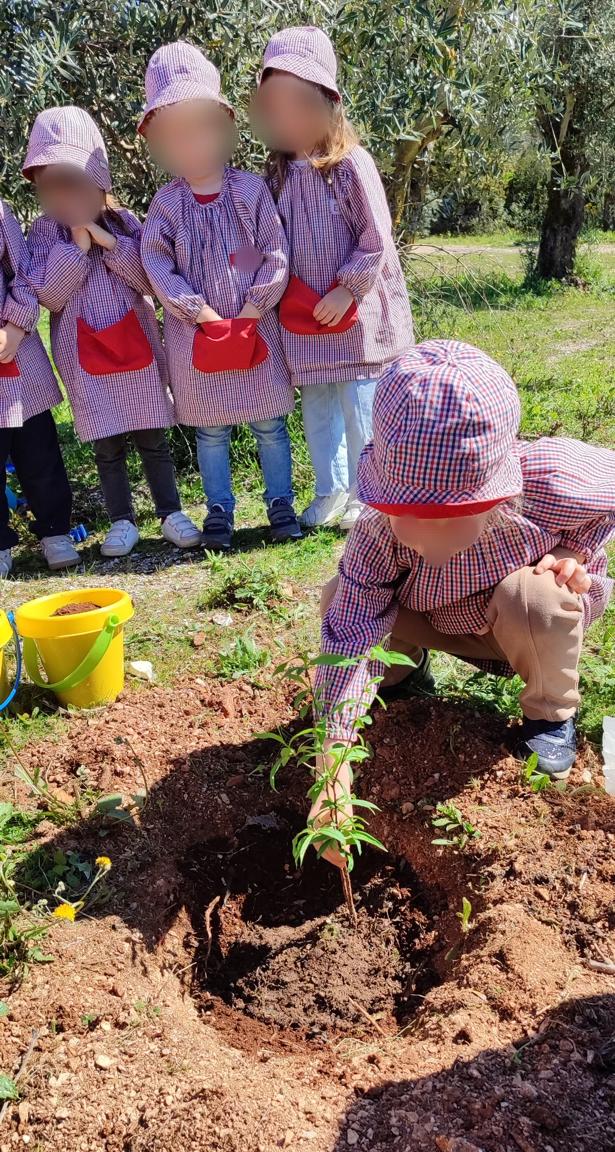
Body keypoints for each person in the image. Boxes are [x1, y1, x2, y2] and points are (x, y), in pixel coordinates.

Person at [312, 339, 615, 866]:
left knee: (537, 596)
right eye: (412, 518)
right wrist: (333, 758)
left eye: (452, 520)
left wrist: (575, 548)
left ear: (499, 493)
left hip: (519, 625)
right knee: (342, 596)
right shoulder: (378, 534)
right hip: (439, 617)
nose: (429, 540)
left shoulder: (551, 481)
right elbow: (352, 627)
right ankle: (401, 679)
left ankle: (549, 715)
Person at [139, 42, 300, 552]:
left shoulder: (250, 191)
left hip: (257, 328)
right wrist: (199, 312)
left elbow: (275, 251)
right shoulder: (165, 205)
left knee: (270, 424)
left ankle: (280, 503)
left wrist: (254, 307)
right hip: (197, 338)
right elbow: (156, 265)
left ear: (222, 125)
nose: (192, 144)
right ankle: (219, 512)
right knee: (211, 433)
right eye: (176, 134)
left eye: (201, 128)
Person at [252, 26, 414, 531]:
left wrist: (349, 287)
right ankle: (331, 490)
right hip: (304, 314)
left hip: (355, 314)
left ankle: (371, 494)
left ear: (327, 103)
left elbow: (376, 238)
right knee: (319, 407)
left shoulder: (348, 166)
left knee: (360, 405)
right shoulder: (275, 174)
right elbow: (264, 236)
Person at [23, 106, 201, 559]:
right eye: (53, 189)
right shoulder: (45, 235)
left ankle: (171, 512)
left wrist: (110, 245)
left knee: (152, 437)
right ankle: (122, 520)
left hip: (136, 348)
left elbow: (150, 281)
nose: (65, 199)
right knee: (107, 445)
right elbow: (50, 297)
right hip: (85, 358)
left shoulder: (125, 224)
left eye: (74, 184)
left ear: (99, 180)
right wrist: (77, 251)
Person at [0, 197, 78, 577]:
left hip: (16, 351)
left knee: (38, 450)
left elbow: (25, 272)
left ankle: (54, 532)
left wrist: (15, 326)